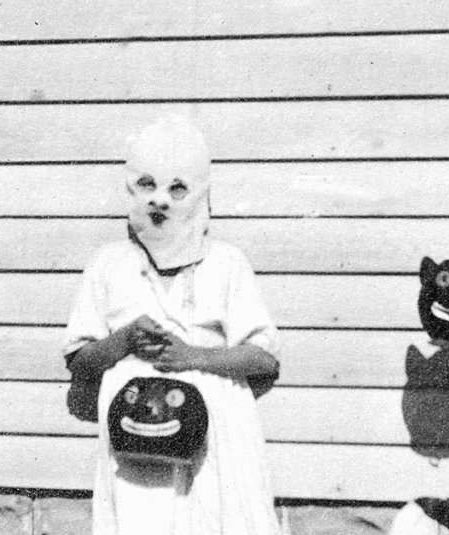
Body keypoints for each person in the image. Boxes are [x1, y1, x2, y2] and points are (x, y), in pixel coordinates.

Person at [62, 115, 283, 535]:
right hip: (135, 446)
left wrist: (191, 356)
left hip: (216, 431)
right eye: (147, 185)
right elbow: (81, 361)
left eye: (177, 188)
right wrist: (125, 339)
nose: (160, 201)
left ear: (198, 193)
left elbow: (263, 358)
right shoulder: (109, 264)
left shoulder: (226, 263)